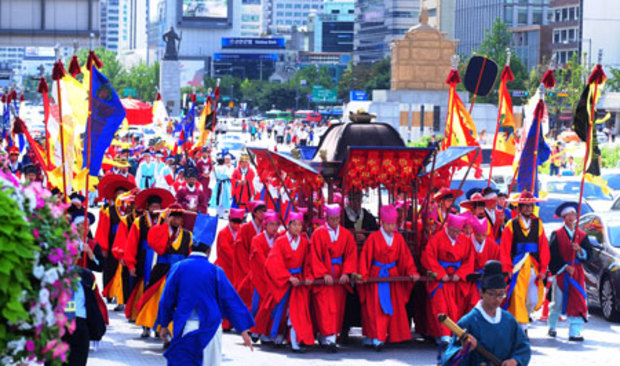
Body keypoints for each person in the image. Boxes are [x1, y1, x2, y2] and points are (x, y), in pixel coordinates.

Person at [158, 230, 254, 366]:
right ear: (209, 250)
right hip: (211, 328)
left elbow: (166, 299)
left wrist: (163, 324)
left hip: (186, 327)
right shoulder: (216, 271)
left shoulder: (178, 268)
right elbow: (231, 301)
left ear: (191, 248)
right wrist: (243, 330)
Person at [441, 260, 531, 366]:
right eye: (492, 294)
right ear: (481, 293)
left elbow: (523, 347)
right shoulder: (468, 322)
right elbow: (448, 361)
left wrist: (515, 360)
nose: (497, 299)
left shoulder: (509, 320)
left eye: (501, 294)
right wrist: (464, 350)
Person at [359, 205, 419, 351]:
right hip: (377, 275)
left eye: (393, 224)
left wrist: (411, 271)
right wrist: (363, 275)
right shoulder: (373, 237)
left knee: (395, 306)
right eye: (388, 224)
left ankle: (393, 335)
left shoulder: (398, 239)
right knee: (375, 308)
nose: (391, 227)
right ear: (382, 223)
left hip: (393, 275)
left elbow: (405, 258)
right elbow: (365, 258)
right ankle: (377, 337)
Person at [253, 211, 314, 352]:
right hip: (283, 282)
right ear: (289, 226)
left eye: (300, 225)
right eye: (295, 224)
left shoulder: (304, 243)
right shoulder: (280, 242)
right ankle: (270, 334)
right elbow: (273, 262)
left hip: (298, 282)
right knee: (275, 309)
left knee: (296, 312)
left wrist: (308, 276)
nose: (298, 228)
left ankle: (295, 341)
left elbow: (308, 262)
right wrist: (287, 277)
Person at [135, 204, 193, 334]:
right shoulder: (158, 230)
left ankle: (169, 329)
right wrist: (164, 227)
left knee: (176, 301)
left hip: (179, 272)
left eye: (179, 218)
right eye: (173, 217)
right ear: (167, 217)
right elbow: (158, 248)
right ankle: (149, 324)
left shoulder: (188, 235)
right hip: (162, 270)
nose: (176, 221)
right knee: (155, 298)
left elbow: (189, 254)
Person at [309, 204, 358, 352]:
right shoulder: (318, 234)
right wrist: (323, 273)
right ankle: (327, 336)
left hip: (339, 276)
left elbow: (351, 254)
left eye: (337, 219)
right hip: (325, 276)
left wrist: (346, 272)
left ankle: (330, 336)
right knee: (324, 307)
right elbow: (315, 256)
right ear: (326, 218)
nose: (334, 222)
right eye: (331, 219)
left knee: (337, 307)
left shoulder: (346, 234)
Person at [500, 191, 550, 335]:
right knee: (517, 296)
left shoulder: (538, 224)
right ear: (519, 207)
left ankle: (524, 318)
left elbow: (544, 247)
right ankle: (522, 329)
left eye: (530, 206)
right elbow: (505, 248)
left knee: (533, 299)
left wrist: (543, 268)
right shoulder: (511, 224)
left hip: (534, 265)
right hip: (517, 266)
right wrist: (507, 267)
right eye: (525, 206)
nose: (528, 209)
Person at [124, 188, 173, 333]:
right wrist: (131, 263)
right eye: (152, 207)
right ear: (147, 208)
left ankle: (158, 325)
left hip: (160, 260)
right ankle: (145, 324)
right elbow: (132, 243)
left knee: (158, 292)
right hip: (143, 258)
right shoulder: (139, 222)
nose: (155, 209)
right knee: (144, 291)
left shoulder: (165, 221)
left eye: (158, 207)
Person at [422, 214, 473, 346]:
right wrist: (440, 273)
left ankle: (453, 333)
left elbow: (469, 260)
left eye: (458, 231)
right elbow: (429, 256)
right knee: (440, 306)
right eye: (453, 231)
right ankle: (444, 335)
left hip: (456, 279)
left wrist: (460, 274)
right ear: (448, 227)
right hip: (441, 280)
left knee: (457, 307)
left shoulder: (465, 240)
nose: (456, 234)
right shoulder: (437, 238)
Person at [547, 202, 593, 341]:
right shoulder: (557, 234)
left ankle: (574, 331)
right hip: (562, 272)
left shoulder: (582, 235)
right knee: (558, 301)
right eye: (568, 215)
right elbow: (552, 254)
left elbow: (589, 255)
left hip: (577, 272)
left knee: (577, 300)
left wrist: (579, 250)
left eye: (573, 214)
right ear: (563, 217)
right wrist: (565, 267)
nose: (571, 217)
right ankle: (552, 326)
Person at [94, 174, 136, 306]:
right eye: (119, 195)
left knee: (123, 270)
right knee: (110, 268)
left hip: (127, 243)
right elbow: (103, 229)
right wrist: (104, 248)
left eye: (124, 195)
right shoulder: (108, 210)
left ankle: (122, 296)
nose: (121, 198)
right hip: (112, 241)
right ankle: (110, 293)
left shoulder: (131, 212)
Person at [248, 210, 280, 341]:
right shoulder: (257, 239)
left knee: (270, 307)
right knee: (258, 305)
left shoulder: (279, 238)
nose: (274, 227)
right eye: (271, 224)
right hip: (261, 277)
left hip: (275, 278)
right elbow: (261, 259)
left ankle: (264, 331)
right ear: (265, 225)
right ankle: (255, 329)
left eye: (276, 224)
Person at [214, 207, 245, 331]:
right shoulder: (223, 233)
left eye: (239, 222)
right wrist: (239, 260)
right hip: (225, 268)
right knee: (224, 295)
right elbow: (225, 250)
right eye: (234, 221)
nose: (237, 224)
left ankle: (233, 322)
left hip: (237, 268)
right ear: (229, 220)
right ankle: (224, 322)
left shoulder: (242, 231)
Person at [233, 200, 267, 311]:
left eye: (265, 211)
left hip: (260, 266)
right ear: (255, 213)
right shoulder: (245, 228)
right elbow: (240, 250)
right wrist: (247, 269)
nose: (264, 213)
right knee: (244, 293)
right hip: (246, 266)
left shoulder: (265, 228)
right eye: (262, 211)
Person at [465, 218, 501, 310]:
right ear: (473, 232)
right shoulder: (467, 242)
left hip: (487, 278)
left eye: (484, 235)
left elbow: (498, 261)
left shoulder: (492, 244)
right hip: (470, 279)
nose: (481, 238)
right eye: (478, 235)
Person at [210, 153, 235, 218]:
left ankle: (218, 212)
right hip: (224, 184)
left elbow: (212, 176)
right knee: (224, 197)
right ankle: (223, 214)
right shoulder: (226, 168)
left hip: (218, 184)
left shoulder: (215, 168)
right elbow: (230, 175)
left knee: (218, 197)